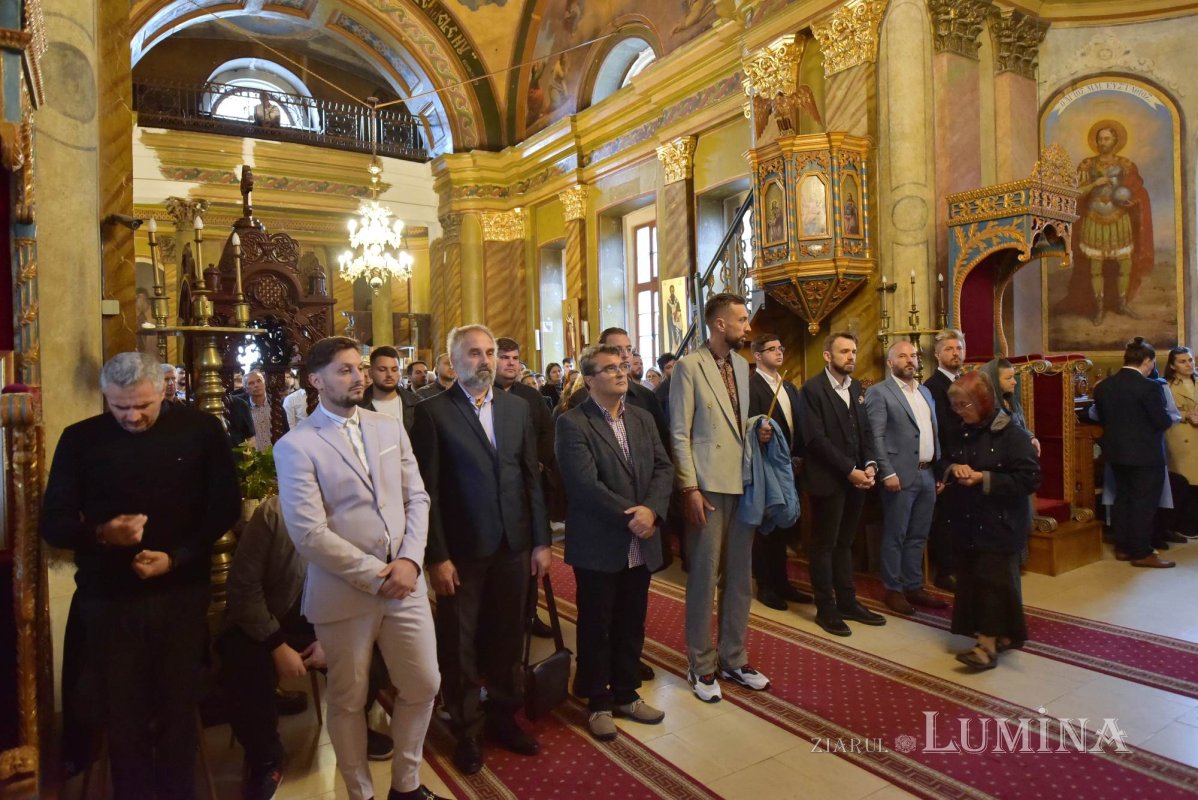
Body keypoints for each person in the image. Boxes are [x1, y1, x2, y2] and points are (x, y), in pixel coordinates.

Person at [42, 352, 240, 800]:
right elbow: (53, 522)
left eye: (142, 406)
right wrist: (102, 533)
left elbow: (224, 508)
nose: (132, 416)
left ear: (165, 389)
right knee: (122, 715)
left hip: (181, 592)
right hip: (108, 598)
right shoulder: (81, 439)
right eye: (119, 407)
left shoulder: (201, 430)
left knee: (177, 710)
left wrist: (177, 557)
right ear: (105, 399)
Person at [273, 336, 444, 800]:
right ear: (316, 380)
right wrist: (378, 574)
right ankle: (360, 792)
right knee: (349, 698)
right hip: (345, 592)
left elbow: (417, 497)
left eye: (360, 368)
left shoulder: (387, 428)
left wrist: (409, 560)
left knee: (424, 683)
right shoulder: (296, 445)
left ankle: (405, 785)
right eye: (345, 370)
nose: (359, 377)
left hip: (404, 581)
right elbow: (309, 534)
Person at [410, 325, 550, 775]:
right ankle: (466, 729)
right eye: (474, 353)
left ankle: (503, 717)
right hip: (462, 552)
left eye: (490, 352)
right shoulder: (432, 413)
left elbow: (531, 476)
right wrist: (437, 556)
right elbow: (425, 491)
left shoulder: (515, 408)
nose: (485, 361)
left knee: (508, 636)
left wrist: (541, 541)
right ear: (453, 360)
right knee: (460, 644)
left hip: (513, 544)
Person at [217, 496, 395, 800]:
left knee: (369, 661)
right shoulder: (274, 514)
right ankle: (266, 758)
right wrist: (276, 645)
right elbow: (243, 589)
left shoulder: (356, 512)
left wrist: (331, 639)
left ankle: (355, 732)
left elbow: (364, 587)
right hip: (268, 620)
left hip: (326, 621)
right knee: (243, 665)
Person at [557, 344, 674, 741]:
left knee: (631, 621)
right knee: (597, 624)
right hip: (600, 540)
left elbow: (663, 466)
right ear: (589, 379)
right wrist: (635, 516)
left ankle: (626, 693)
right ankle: (598, 702)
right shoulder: (573, 423)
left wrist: (653, 511)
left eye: (622, 367)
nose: (621, 373)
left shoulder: (641, 418)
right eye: (609, 369)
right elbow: (585, 486)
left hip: (641, 540)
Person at [670, 293, 773, 702]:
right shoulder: (689, 367)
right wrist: (689, 488)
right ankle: (702, 664)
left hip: (742, 482)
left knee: (740, 578)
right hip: (708, 487)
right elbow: (681, 431)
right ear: (719, 324)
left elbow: (733, 421)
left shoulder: (743, 366)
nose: (748, 327)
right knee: (704, 579)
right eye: (742, 320)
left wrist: (757, 428)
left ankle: (734, 656)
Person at [940, 372, 1041, 670]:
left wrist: (984, 478)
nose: (959, 411)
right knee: (974, 579)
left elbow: (1029, 478)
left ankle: (986, 647)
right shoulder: (962, 431)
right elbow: (945, 460)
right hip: (968, 519)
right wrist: (955, 468)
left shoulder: (1013, 435)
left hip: (1001, 521)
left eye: (964, 405)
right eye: (955, 406)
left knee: (993, 582)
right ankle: (1003, 635)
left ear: (983, 402)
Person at [797, 331, 886, 637]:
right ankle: (826, 608)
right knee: (824, 545)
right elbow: (815, 439)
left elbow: (865, 432)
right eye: (844, 351)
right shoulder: (812, 390)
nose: (851, 356)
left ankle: (848, 602)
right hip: (828, 481)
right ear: (827, 356)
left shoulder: (857, 387)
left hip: (856, 480)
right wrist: (850, 470)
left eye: (853, 351)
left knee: (846, 544)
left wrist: (871, 464)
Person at [864, 341, 946, 615]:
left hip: (926, 473)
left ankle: (914, 585)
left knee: (919, 534)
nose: (910, 360)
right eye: (902, 356)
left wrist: (938, 469)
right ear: (890, 362)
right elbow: (875, 436)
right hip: (899, 475)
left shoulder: (924, 392)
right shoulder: (880, 393)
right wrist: (887, 471)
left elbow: (932, 432)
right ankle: (893, 589)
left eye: (913, 355)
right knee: (896, 534)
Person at [1091, 337, 1175, 568]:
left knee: (1123, 499)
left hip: (1116, 453)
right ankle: (1141, 552)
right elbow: (1162, 421)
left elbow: (1099, 416)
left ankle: (1123, 548)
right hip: (1145, 455)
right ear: (1147, 361)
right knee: (1144, 504)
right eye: (1152, 362)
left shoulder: (1105, 386)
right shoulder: (1150, 387)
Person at [1064, 122, 1153, 326]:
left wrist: (1132, 201)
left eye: (1107, 138)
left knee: (1125, 265)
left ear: (1115, 140)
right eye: (1100, 139)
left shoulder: (1126, 165)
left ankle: (1122, 303)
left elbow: (1137, 191)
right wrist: (1095, 184)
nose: (1103, 142)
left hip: (1119, 220)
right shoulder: (1087, 165)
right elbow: (1075, 193)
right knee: (1096, 268)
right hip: (1094, 220)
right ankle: (1099, 308)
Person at [747, 334, 812, 611]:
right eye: (771, 349)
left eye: (780, 347)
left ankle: (783, 582)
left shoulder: (789, 386)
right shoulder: (751, 386)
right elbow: (746, 423)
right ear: (757, 355)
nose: (778, 352)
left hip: (790, 464)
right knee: (767, 526)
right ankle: (766, 585)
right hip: (766, 465)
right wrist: (757, 431)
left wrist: (799, 455)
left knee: (785, 526)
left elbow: (798, 424)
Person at [923, 328, 966, 591]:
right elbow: (939, 428)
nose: (955, 353)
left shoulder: (967, 380)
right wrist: (942, 468)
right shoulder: (933, 386)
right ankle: (945, 571)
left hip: (967, 458)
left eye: (959, 348)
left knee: (963, 517)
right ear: (938, 355)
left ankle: (962, 565)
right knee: (946, 519)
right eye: (949, 349)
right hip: (947, 460)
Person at [1164, 347, 1198, 539]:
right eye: (1182, 361)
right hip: (1180, 438)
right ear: (1172, 365)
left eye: (1190, 360)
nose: (1189, 364)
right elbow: (1165, 413)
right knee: (1185, 483)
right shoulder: (1167, 386)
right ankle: (1184, 525)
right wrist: (1187, 415)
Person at [361, 346, 420, 432]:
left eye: (394, 369)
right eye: (382, 369)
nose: (389, 374)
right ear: (371, 373)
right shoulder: (357, 405)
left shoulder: (417, 403)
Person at [246, 369, 287, 451]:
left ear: (265, 383)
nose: (256, 385)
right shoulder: (245, 410)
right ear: (246, 389)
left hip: (278, 453)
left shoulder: (276, 406)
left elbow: (286, 432)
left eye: (259, 381)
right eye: (251, 383)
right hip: (256, 457)